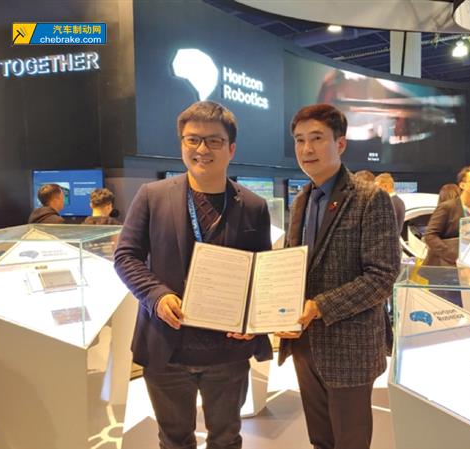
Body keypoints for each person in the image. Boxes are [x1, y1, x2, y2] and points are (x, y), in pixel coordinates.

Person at [114, 101, 273, 449]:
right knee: (174, 441)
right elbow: (126, 256)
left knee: (226, 439)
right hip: (167, 347)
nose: (202, 149)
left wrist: (253, 318)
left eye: (214, 141)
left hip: (228, 352)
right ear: (182, 144)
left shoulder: (253, 206)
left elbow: (262, 275)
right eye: (193, 140)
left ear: (231, 149)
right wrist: (156, 296)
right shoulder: (152, 196)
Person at [277, 104, 400, 449]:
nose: (307, 148)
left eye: (317, 138)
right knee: (320, 440)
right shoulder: (301, 200)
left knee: (350, 441)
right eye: (299, 139)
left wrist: (320, 306)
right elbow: (293, 265)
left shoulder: (369, 198)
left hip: (349, 347)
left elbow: (382, 276)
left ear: (340, 144)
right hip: (304, 343)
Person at [423, 165, 470, 266]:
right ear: (462, 185)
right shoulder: (448, 207)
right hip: (442, 267)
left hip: (464, 267)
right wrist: (454, 256)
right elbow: (430, 236)